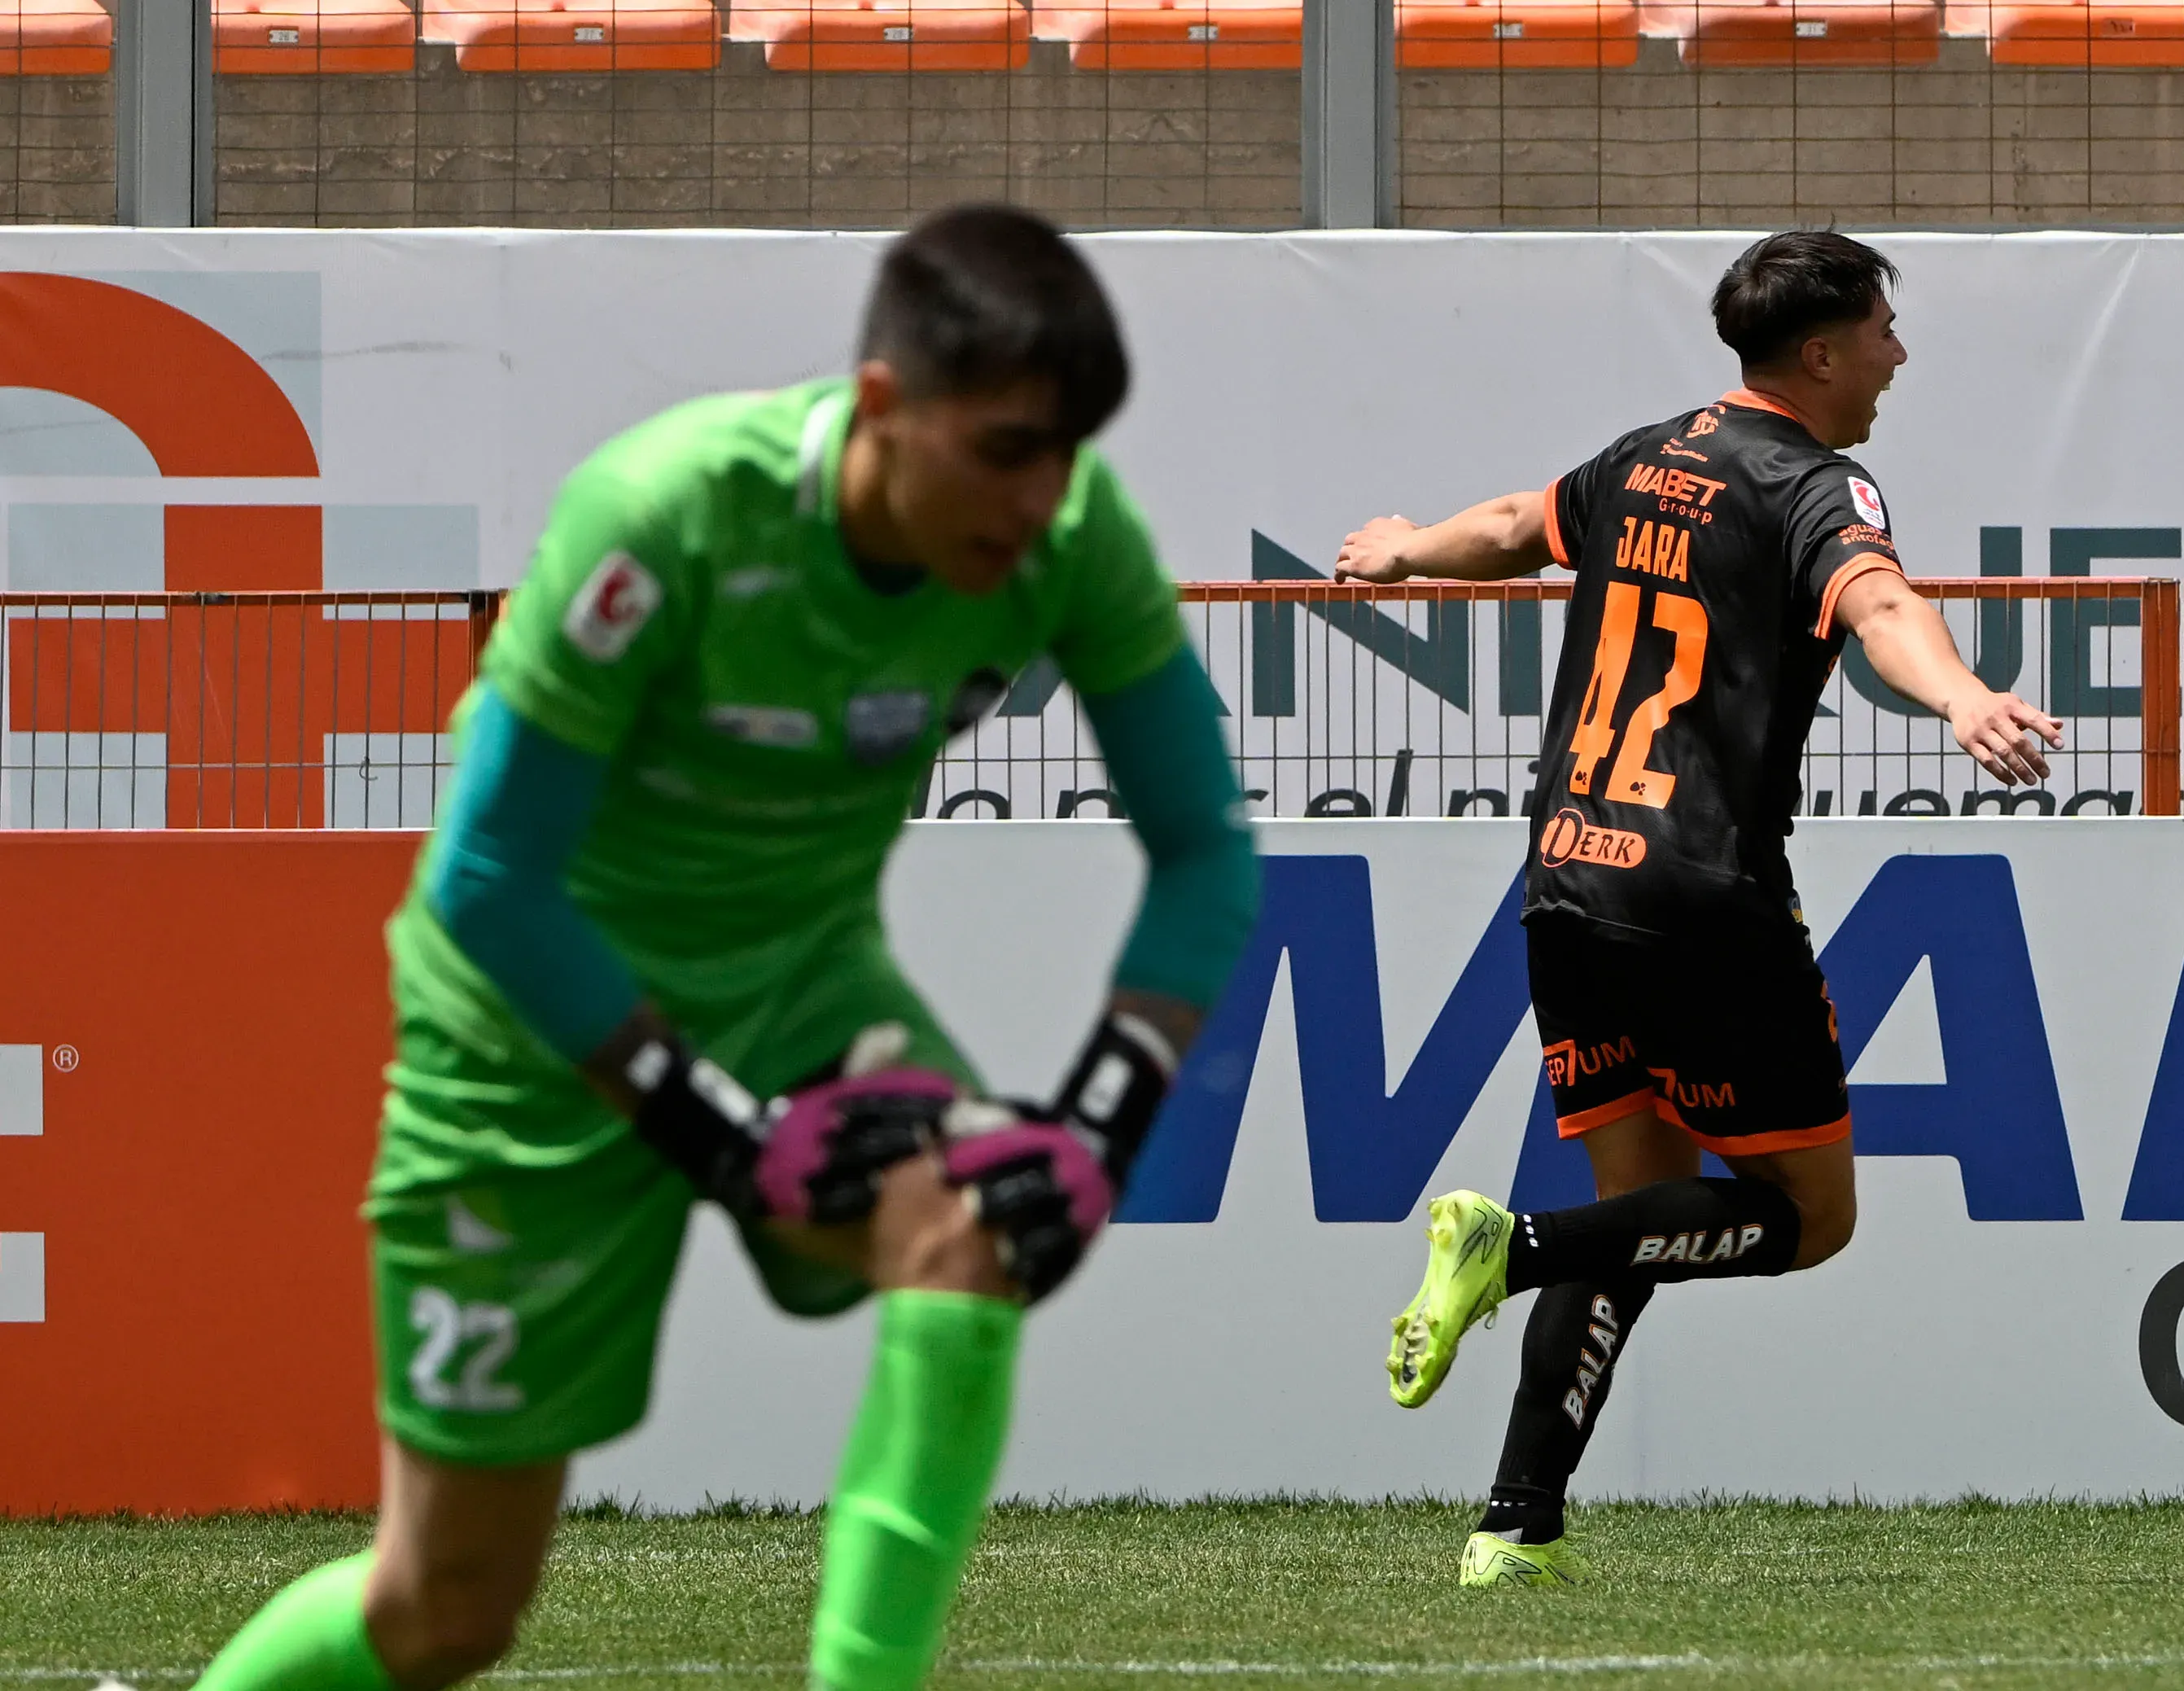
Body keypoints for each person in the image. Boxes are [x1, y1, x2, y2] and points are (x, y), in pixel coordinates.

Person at [192, 204, 1259, 1689]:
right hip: (530, 1031)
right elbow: (489, 881)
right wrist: (717, 1133)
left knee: (970, 1228)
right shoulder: (661, 515)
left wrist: (1099, 1124)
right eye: (1005, 448)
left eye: (1067, 453)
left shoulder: (1074, 540)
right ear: (882, 403)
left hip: (800, 991)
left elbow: (1206, 852)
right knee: (443, 1614)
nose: (1040, 499)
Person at [1334, 230, 2060, 1588]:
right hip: (1702, 896)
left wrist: (1403, 554)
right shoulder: (1817, 484)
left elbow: (1511, 529)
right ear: (1822, 353)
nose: (1900, 356)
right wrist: (1964, 694)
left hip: (1567, 880)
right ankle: (1512, 1246)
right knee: (1809, 1220)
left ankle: (1515, 1526)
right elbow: (1880, 603)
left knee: (1647, 1210)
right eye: (1885, 332)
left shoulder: (1646, 456)